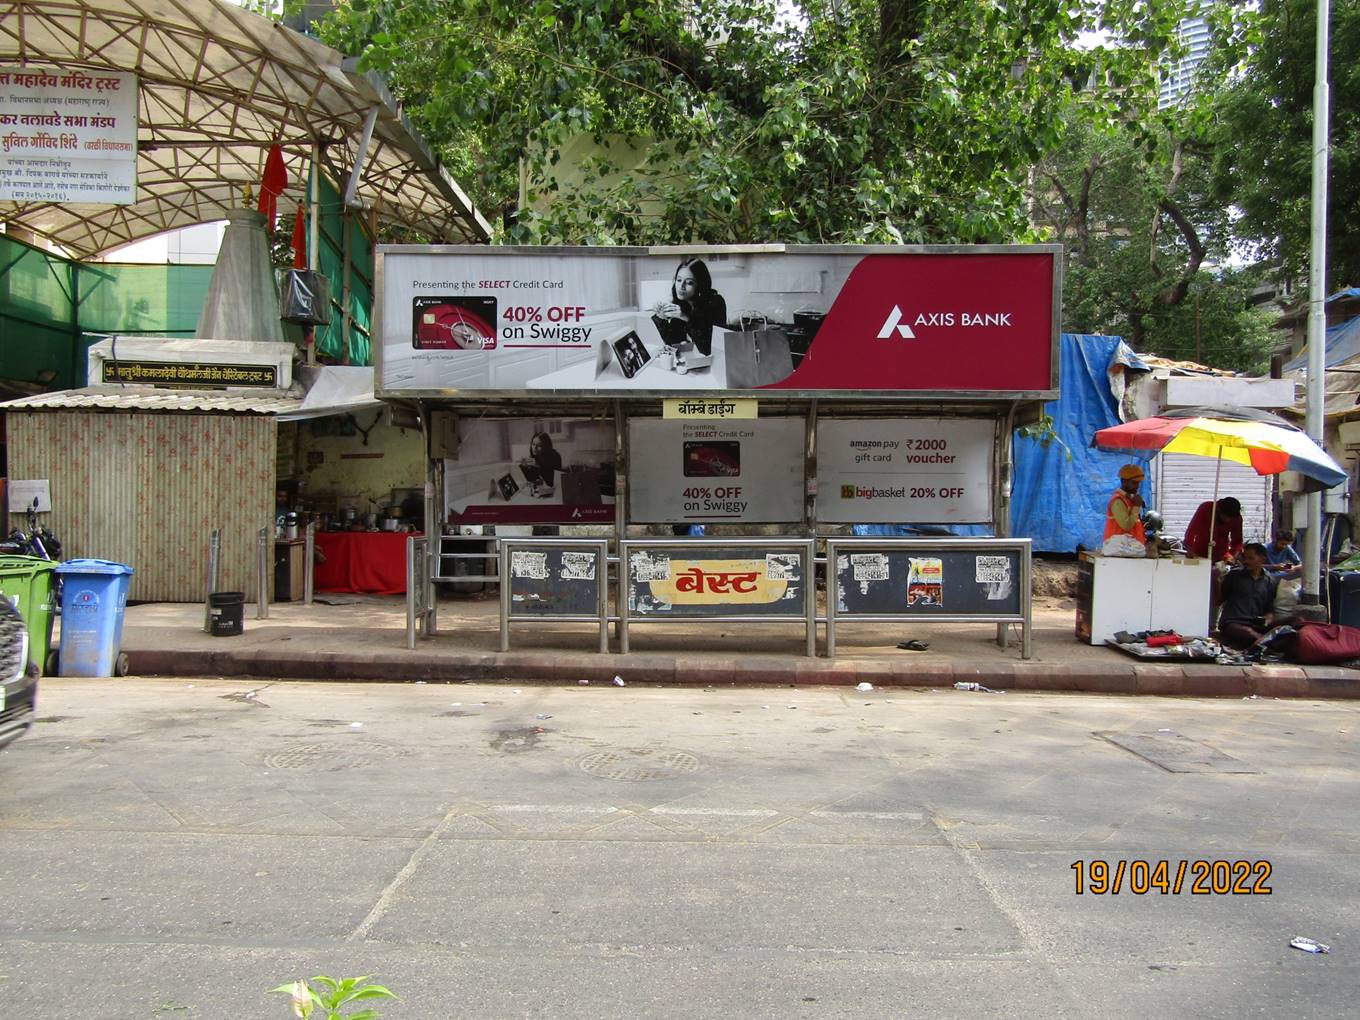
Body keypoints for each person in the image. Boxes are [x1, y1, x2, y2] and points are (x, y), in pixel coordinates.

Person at [652, 257, 727, 357]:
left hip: (715, 364)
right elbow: (674, 344)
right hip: (692, 365)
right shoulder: (681, 303)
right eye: (679, 280)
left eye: (689, 282)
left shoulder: (715, 302)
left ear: (700, 284)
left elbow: (707, 349)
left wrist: (687, 318)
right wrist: (661, 317)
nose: (681, 286)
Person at [1217, 542, 1281, 649]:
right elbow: (1218, 600)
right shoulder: (1234, 576)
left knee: (1295, 621)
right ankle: (1267, 644)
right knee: (1248, 632)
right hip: (1233, 623)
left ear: (1262, 560)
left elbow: (1269, 610)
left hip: (1255, 625)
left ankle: (1264, 642)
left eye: (1250, 558)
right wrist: (1218, 581)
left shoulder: (1270, 581)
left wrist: (1268, 618)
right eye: (1244, 558)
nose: (1246, 561)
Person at [1101, 464, 1147, 556]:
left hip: (1130, 549)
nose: (1137, 486)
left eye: (1138, 483)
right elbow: (1126, 525)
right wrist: (1136, 506)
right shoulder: (1118, 501)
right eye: (1134, 483)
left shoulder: (1129, 499)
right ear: (1124, 481)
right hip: (1118, 549)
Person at [1183, 496, 1244, 562]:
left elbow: (1237, 542)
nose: (1228, 520)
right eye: (1226, 516)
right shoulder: (1206, 508)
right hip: (1199, 553)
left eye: (1231, 518)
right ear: (1219, 510)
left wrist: (1232, 555)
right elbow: (1191, 531)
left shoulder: (1236, 519)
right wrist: (1189, 548)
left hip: (1221, 556)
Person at [521, 432, 563, 497]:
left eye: (539, 445)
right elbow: (532, 479)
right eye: (533, 444)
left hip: (555, 494)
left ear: (546, 446)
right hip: (541, 493)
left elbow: (551, 482)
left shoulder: (555, 456)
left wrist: (538, 465)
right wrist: (524, 467)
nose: (534, 448)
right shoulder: (536, 457)